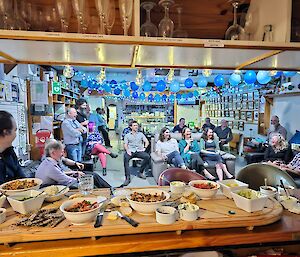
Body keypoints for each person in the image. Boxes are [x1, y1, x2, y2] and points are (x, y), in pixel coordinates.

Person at [36, 139, 111, 188]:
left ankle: (110, 189)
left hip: (59, 183)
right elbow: (66, 180)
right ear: (53, 152)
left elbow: (61, 174)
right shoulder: (50, 167)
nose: (63, 153)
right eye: (61, 151)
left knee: (93, 175)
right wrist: (78, 178)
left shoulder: (51, 161)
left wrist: (75, 173)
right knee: (90, 180)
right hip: (54, 188)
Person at [0, 111, 25, 184]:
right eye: (15, 130)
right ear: (6, 132)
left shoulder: (10, 153)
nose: (15, 134)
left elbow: (22, 179)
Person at [123, 121, 150, 186]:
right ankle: (127, 178)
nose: (136, 127)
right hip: (131, 150)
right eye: (134, 125)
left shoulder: (141, 134)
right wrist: (127, 150)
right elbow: (125, 144)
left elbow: (146, 141)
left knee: (147, 156)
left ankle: (140, 172)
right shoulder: (127, 135)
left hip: (139, 150)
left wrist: (144, 148)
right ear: (131, 127)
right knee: (125, 158)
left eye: (137, 125)